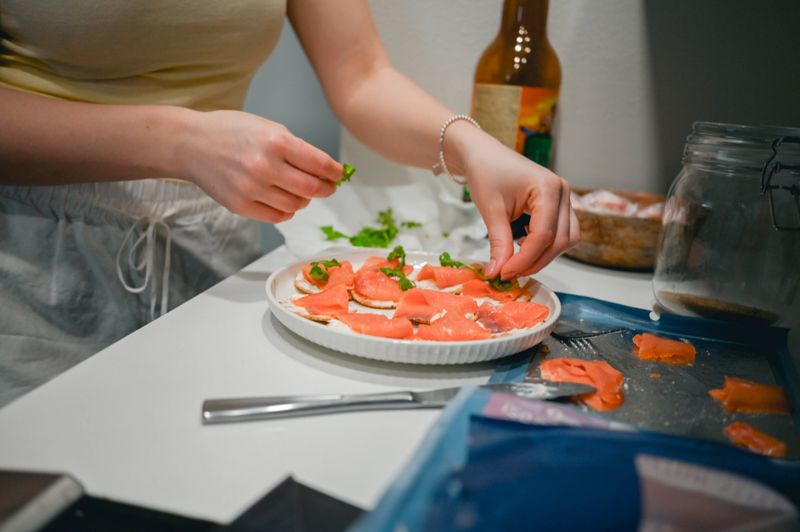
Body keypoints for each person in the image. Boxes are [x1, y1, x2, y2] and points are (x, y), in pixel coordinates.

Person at [0, 0, 579, 406]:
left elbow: (361, 75)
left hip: (216, 252)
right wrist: (181, 142)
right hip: (34, 258)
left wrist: (471, 145)